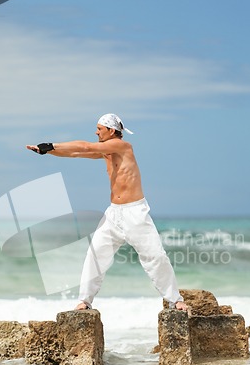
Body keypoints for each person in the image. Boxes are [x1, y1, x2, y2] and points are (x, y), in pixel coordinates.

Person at [26, 113, 187, 311]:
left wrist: (51, 144)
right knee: (95, 254)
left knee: (155, 257)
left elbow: (85, 146)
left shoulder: (122, 146)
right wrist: (46, 151)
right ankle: (84, 301)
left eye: (99, 129)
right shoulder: (106, 151)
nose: (96, 132)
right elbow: (76, 153)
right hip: (113, 213)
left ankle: (175, 300)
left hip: (134, 212)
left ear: (111, 131)